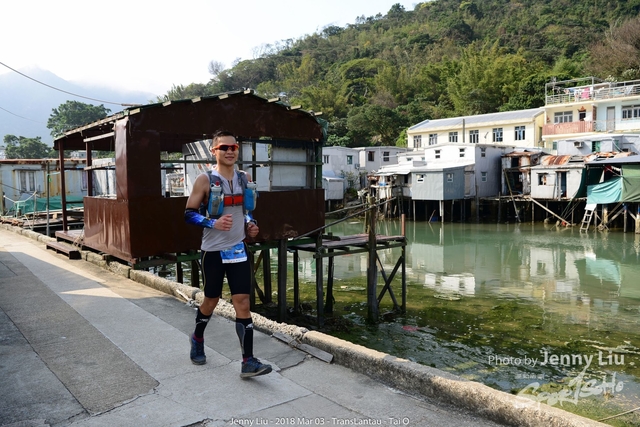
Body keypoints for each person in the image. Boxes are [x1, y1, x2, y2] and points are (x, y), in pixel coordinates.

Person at [184, 130, 272, 378]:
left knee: (242, 302)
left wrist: (251, 224)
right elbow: (189, 214)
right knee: (211, 300)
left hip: (237, 248)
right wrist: (212, 223)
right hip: (213, 250)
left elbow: (247, 211)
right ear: (214, 151)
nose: (230, 151)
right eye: (224, 147)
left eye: (234, 147)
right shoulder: (205, 180)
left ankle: (248, 361)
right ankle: (197, 338)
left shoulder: (245, 178)